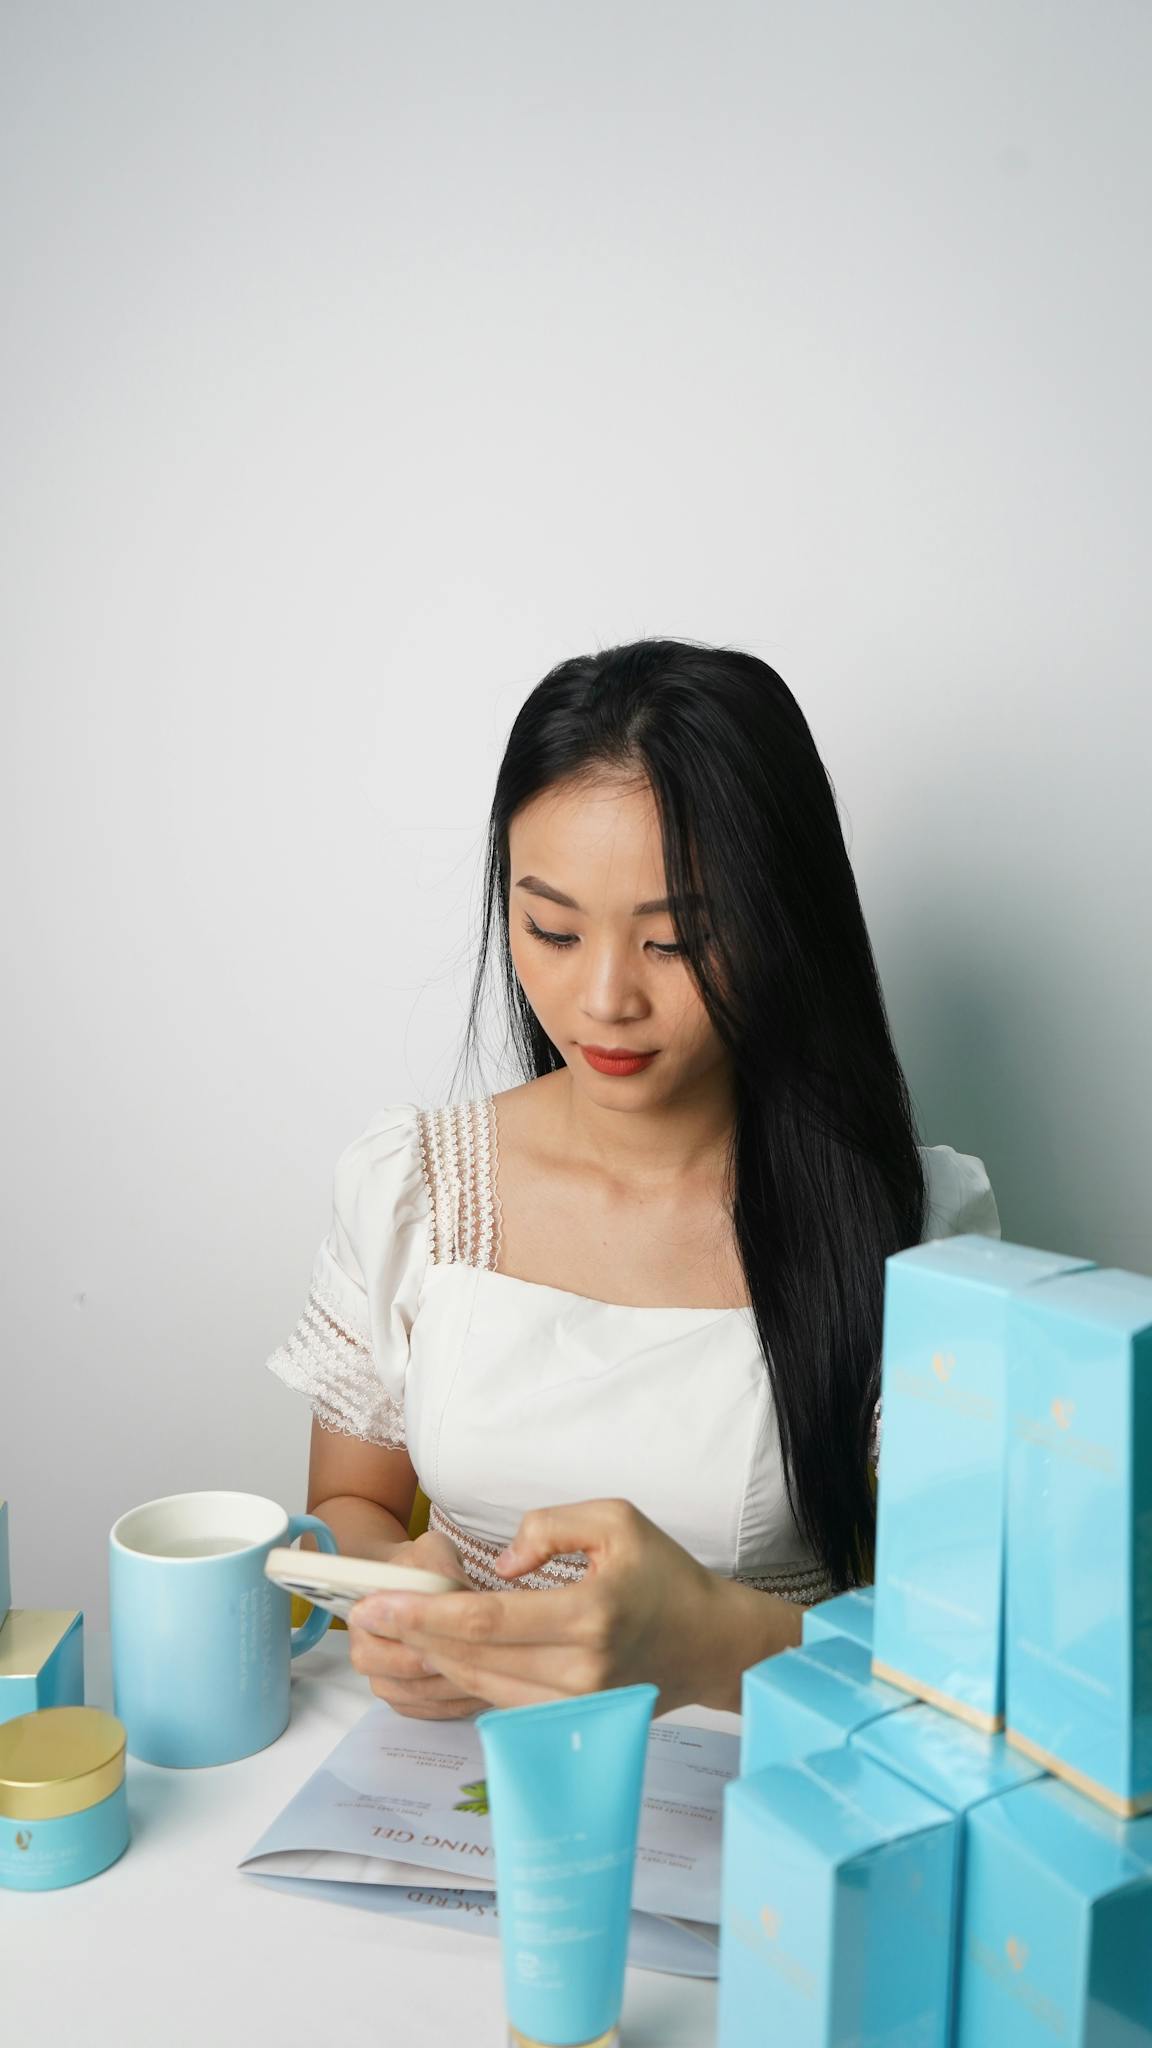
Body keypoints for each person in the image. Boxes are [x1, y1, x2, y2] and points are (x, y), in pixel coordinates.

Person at [265, 638, 998, 1720]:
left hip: (767, 1800)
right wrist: (395, 1590)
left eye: (677, 940)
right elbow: (344, 1503)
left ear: (782, 919)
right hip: (459, 1774)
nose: (603, 999)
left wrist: (711, 1642)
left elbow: (972, 1651)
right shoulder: (416, 1187)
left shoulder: (911, 1233)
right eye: (551, 927)